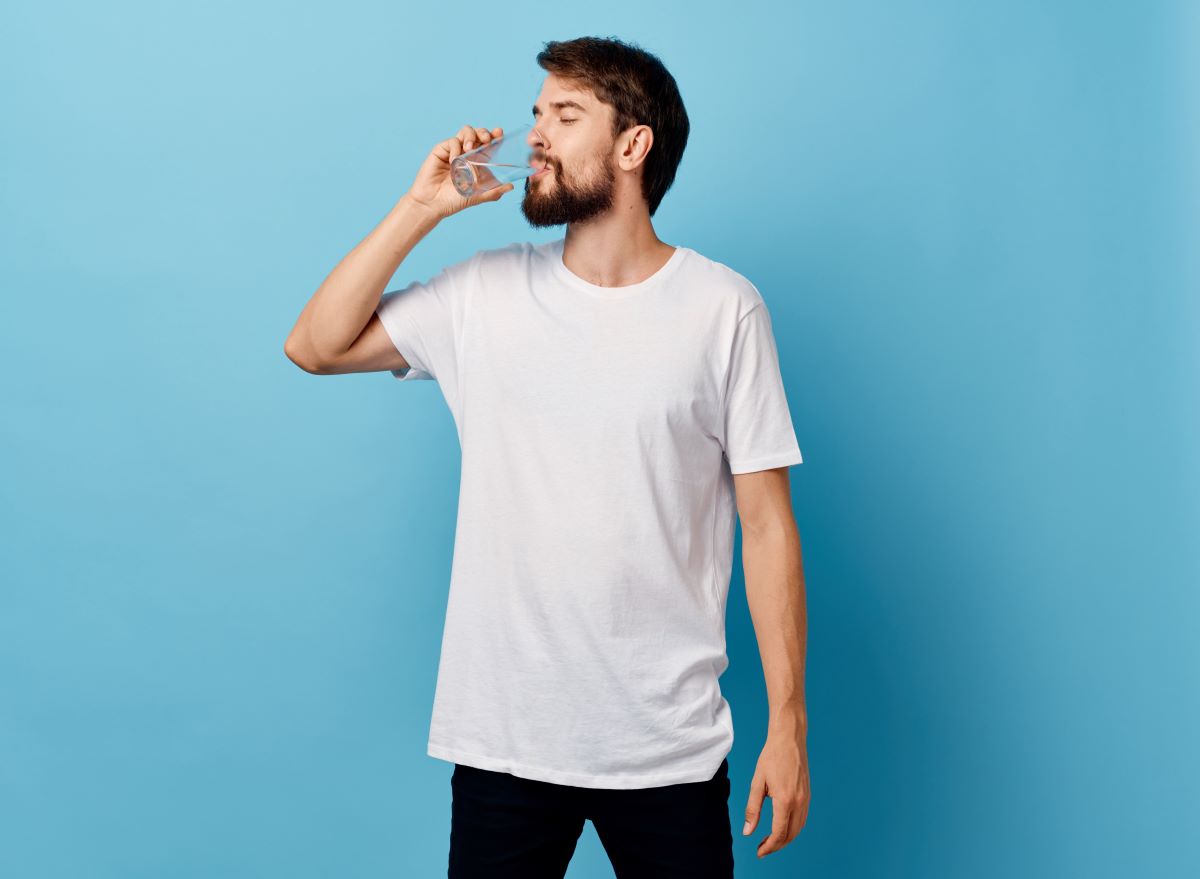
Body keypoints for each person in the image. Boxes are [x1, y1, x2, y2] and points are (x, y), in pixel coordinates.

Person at [285, 36, 811, 879]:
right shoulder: (483, 294)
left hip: (668, 748)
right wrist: (420, 209)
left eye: (566, 116)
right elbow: (313, 344)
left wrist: (788, 725)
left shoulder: (723, 309)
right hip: (506, 744)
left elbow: (767, 527)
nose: (536, 134)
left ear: (633, 146)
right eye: (537, 114)